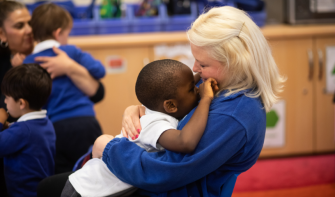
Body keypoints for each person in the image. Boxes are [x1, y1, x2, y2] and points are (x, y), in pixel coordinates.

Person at [37, 6, 286, 197]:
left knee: (50, 188)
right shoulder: (220, 85)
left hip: (161, 185)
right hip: (146, 173)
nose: (195, 69)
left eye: (204, 63)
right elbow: (170, 106)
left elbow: (167, 171)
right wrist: (136, 109)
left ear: (236, 62)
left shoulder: (234, 114)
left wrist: (107, 147)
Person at [60, 59, 218, 197]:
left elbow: (182, 86)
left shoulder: (160, 108)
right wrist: (205, 99)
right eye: (193, 89)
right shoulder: (153, 123)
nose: (198, 89)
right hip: (85, 190)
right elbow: (186, 142)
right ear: (170, 105)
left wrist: (204, 78)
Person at [22, 3, 106, 174]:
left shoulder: (28, 62)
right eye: (67, 33)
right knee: (95, 170)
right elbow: (99, 70)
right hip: (84, 122)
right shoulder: (71, 51)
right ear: (58, 33)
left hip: (52, 128)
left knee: (62, 176)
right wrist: (74, 62)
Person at [0, 64, 55, 197]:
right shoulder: (45, 122)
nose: (5, 101)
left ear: (21, 103)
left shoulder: (23, 131)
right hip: (40, 190)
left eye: (7, 97)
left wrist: (0, 121)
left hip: (23, 193)